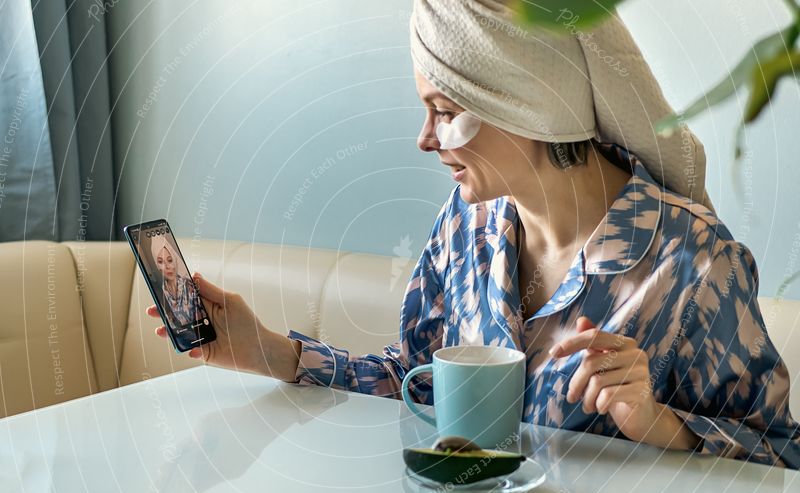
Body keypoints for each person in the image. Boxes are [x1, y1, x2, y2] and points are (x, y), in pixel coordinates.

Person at [147, 1, 799, 468]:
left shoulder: (692, 263)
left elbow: (782, 455)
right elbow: (420, 380)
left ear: (531, 102)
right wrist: (268, 352)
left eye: (446, 113)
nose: (425, 140)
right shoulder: (468, 226)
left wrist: (662, 425)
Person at [150, 234, 203, 329]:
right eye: (161, 262)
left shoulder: (189, 284)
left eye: (169, 260)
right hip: (184, 338)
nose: (167, 266)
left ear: (175, 260)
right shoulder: (163, 291)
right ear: (157, 266)